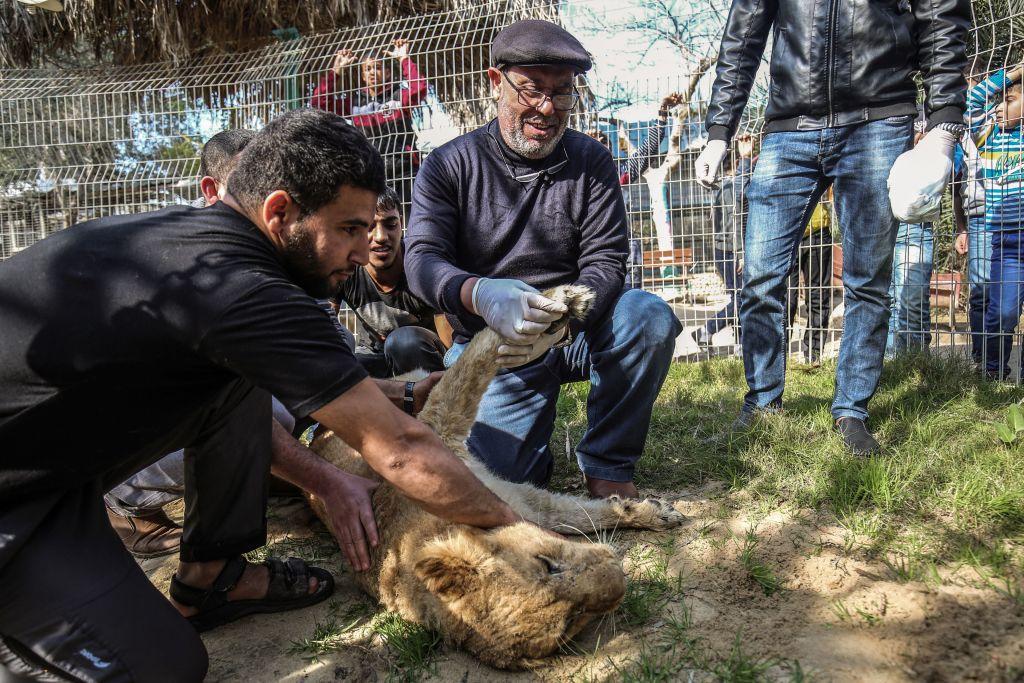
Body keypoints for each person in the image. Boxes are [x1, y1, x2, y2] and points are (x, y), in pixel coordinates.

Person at [0, 108, 529, 681]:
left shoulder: (191, 249)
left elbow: (298, 385)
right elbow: (398, 448)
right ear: (279, 212)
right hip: (15, 505)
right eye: (349, 228)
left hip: (52, 476)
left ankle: (213, 579)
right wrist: (518, 528)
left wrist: (394, 394)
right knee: (164, 669)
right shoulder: (240, 290)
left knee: (234, 389)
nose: (363, 250)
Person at [405, 19, 681, 499]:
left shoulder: (590, 160)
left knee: (647, 317)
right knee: (502, 483)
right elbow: (422, 260)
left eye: (562, 93)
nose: (547, 108)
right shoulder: (449, 164)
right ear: (496, 82)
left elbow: (607, 260)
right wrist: (478, 292)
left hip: (573, 327)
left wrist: (562, 323)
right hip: (495, 345)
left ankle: (609, 464)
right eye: (532, 90)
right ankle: (531, 442)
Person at [695, 0, 969, 455]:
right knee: (760, 275)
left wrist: (943, 124)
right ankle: (762, 403)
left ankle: (851, 411)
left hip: (879, 119)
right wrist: (720, 130)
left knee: (867, 280)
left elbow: (941, 17)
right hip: (788, 126)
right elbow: (742, 35)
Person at [337, 185, 446, 376]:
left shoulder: (422, 264)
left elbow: (451, 345)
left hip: (426, 362)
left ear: (401, 224)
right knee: (339, 348)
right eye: (370, 226)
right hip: (376, 357)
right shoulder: (346, 266)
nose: (381, 237)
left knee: (403, 342)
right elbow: (324, 318)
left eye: (390, 224)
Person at [310, 38, 428, 211]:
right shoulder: (355, 102)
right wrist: (336, 71)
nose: (373, 72)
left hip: (405, 170)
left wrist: (404, 59)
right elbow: (318, 104)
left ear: (387, 73)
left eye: (378, 68)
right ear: (363, 76)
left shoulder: (397, 96)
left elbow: (419, 88)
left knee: (408, 221)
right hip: (372, 174)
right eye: (368, 69)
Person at [968, 63, 1024, 379]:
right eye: (998, 102)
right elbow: (973, 101)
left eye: (1010, 100)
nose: (999, 109)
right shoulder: (988, 136)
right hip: (1007, 240)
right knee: (1002, 312)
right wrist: (1014, 76)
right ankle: (993, 373)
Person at [691, 133, 754, 352]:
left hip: (723, 250)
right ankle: (706, 330)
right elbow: (736, 221)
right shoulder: (731, 186)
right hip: (733, 251)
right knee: (743, 299)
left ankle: (739, 344)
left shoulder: (717, 186)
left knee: (740, 298)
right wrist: (742, 253)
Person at [954, 58, 994, 366]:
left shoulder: (1005, 115)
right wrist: (961, 226)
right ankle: (983, 361)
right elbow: (957, 180)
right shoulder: (959, 128)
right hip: (977, 215)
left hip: (1011, 210)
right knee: (980, 290)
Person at [787, 191, 836, 366]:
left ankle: (813, 356)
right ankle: (779, 356)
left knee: (818, 297)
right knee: (786, 300)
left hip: (817, 231)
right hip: (786, 232)